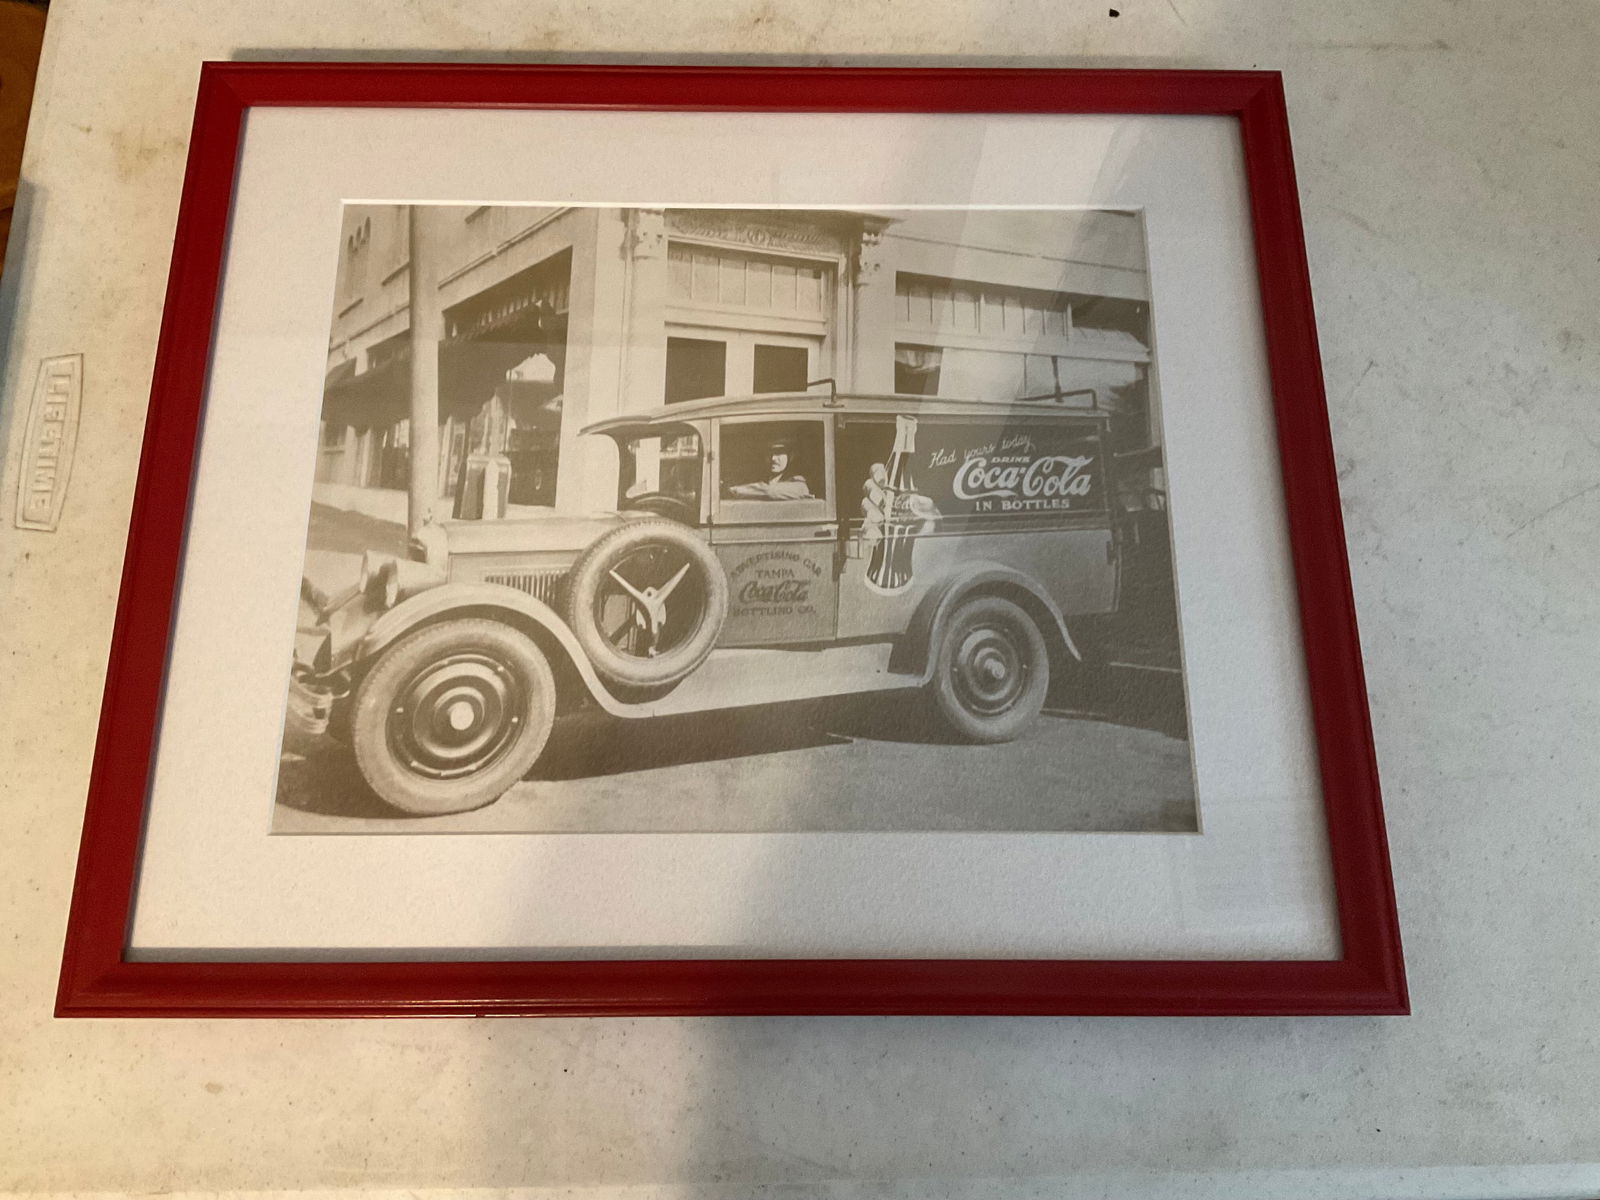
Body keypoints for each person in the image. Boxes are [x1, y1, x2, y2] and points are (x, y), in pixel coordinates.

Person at [726, 439, 814, 500]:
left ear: (791, 456)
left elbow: (771, 491)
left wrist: (735, 490)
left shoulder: (798, 482)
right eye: (769, 453)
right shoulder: (757, 478)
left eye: (779, 453)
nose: (773, 458)